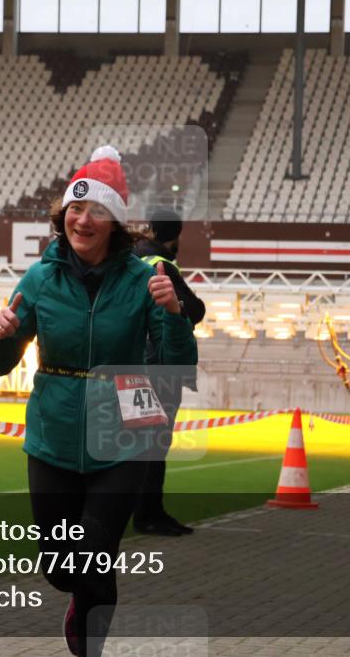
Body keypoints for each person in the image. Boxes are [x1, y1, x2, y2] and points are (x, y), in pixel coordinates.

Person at [0, 146, 198, 657]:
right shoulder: (41, 277)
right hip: (52, 434)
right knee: (61, 566)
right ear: (63, 217)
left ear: (115, 223)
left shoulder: (146, 279)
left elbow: (177, 363)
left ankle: (88, 646)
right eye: (75, 210)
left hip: (125, 429)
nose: (83, 219)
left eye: (97, 210)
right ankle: (80, 603)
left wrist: (172, 313)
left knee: (96, 556)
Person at [131, 211, 206, 536]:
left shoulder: (130, 260)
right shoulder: (160, 263)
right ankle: (149, 515)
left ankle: (134, 511)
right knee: (155, 444)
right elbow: (196, 307)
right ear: (174, 235)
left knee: (138, 444)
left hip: (132, 366)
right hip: (159, 367)